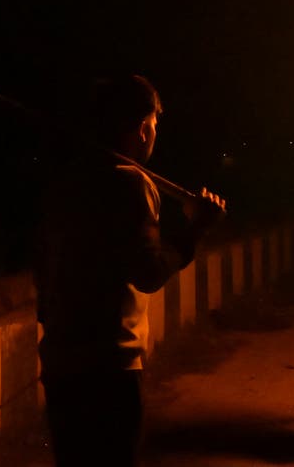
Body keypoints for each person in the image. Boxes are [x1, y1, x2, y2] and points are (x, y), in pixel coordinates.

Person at [34, 74, 226, 467]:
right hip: (110, 367)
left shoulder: (65, 182)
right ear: (141, 128)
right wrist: (196, 230)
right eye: (154, 125)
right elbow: (149, 271)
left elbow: (41, 261)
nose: (154, 134)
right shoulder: (131, 184)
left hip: (61, 362)